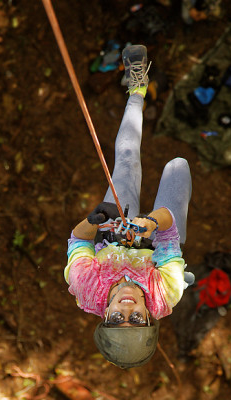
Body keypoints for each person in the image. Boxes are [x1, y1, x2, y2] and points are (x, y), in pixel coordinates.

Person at [64, 45, 193, 369]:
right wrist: (150, 224)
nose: (126, 308)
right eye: (136, 318)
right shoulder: (164, 294)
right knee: (177, 167)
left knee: (124, 164)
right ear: (150, 316)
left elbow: (78, 240)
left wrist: (95, 220)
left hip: (113, 237)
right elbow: (167, 228)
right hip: (157, 244)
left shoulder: (87, 288)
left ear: (104, 316)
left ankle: (137, 86)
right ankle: (179, 267)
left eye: (117, 318)